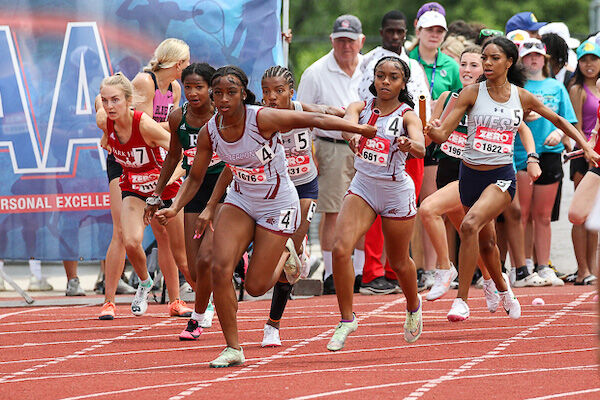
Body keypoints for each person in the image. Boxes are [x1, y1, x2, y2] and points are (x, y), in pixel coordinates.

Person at [155, 65, 376, 368]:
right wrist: (175, 207)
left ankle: (286, 254)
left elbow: (315, 118)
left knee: (256, 287)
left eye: (230, 92)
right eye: (217, 93)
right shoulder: (210, 131)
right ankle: (233, 348)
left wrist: (359, 128)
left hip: (278, 203)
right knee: (220, 268)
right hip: (241, 199)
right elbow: (194, 178)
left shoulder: (262, 118)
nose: (223, 99)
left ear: (243, 95)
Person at [426, 37, 598, 321]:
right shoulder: (470, 93)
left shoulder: (521, 96)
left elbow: (559, 120)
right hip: (469, 175)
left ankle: (462, 301)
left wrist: (586, 145)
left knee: (468, 226)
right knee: (487, 243)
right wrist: (432, 130)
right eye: (485, 58)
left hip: (501, 177)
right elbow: (442, 135)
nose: (487, 63)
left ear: (509, 62)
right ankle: (504, 289)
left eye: (494, 58)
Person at [327, 56, 425, 351]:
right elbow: (347, 125)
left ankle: (412, 305)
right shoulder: (360, 107)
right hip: (364, 186)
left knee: (398, 261)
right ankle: (347, 319)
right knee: (340, 248)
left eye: (392, 77)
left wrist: (410, 145)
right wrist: (353, 134)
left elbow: (421, 147)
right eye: (380, 75)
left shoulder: (408, 116)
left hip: (395, 190)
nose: (385, 81)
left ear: (402, 83)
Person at [99, 38, 192, 320]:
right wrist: (107, 130)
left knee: (169, 238)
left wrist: (172, 132)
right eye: (186, 63)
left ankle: (177, 299)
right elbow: (120, 112)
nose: (187, 70)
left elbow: (163, 130)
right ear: (178, 64)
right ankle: (111, 300)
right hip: (126, 163)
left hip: (156, 163)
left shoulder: (174, 88)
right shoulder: (144, 82)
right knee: (123, 232)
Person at [259, 66, 345, 347]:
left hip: (305, 186)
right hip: (272, 192)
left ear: (291, 93)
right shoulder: (257, 116)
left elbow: (329, 114)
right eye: (267, 92)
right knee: (279, 261)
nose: (272, 97)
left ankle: (273, 325)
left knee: (290, 257)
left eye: (279, 91)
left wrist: (358, 118)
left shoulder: (301, 109)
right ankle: (294, 253)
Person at [357, 10, 430, 295]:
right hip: (379, 146)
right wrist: (357, 132)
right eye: (391, 31)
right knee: (374, 209)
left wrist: (418, 138)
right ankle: (372, 272)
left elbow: (425, 105)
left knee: (403, 211)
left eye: (401, 32)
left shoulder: (414, 65)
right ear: (382, 32)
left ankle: (393, 270)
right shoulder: (370, 63)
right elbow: (359, 103)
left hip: (410, 146)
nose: (396, 37)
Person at [144, 63, 219, 339]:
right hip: (193, 189)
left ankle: (199, 317)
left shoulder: (221, 115)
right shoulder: (178, 117)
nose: (193, 92)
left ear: (211, 88)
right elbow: (173, 157)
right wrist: (157, 193)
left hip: (222, 188)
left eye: (199, 87)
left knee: (209, 256)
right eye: (188, 87)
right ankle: (230, 271)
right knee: (194, 264)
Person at [420, 45, 499, 302]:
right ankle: (491, 281)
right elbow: (428, 139)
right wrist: (425, 130)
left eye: (474, 65)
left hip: (472, 175)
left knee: (428, 209)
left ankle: (445, 268)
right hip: (447, 171)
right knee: (470, 238)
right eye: (463, 64)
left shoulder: (490, 101)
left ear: (485, 69)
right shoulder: (446, 98)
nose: (467, 70)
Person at [297, 14, 366, 295]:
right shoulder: (315, 72)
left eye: (350, 40)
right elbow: (300, 115)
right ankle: (330, 272)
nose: (346, 46)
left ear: (361, 41)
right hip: (330, 146)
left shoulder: (371, 67)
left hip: (366, 146)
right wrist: (308, 151)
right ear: (332, 40)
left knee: (365, 209)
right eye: (340, 40)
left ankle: (360, 271)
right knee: (332, 212)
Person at [515, 38, 574, 286]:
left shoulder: (556, 86)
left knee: (543, 215)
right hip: (521, 154)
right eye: (528, 55)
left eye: (538, 55)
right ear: (520, 60)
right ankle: (525, 264)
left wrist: (559, 134)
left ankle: (543, 264)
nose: (533, 59)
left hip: (550, 154)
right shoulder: (516, 86)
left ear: (545, 58)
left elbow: (568, 119)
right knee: (523, 213)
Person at [409, 8, 461, 290]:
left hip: (438, 143)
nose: (434, 35)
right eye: (429, 30)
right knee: (410, 204)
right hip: (411, 138)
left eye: (439, 30)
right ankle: (416, 265)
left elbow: (458, 102)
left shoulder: (450, 66)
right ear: (418, 30)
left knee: (430, 204)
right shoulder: (408, 60)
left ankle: (432, 268)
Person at [567, 40, 600, 285]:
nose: (589, 64)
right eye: (584, 59)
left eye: (594, 59)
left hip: (594, 154)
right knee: (580, 214)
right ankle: (582, 269)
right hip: (583, 155)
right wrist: (586, 148)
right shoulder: (578, 88)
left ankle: (591, 270)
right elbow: (576, 124)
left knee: (594, 218)